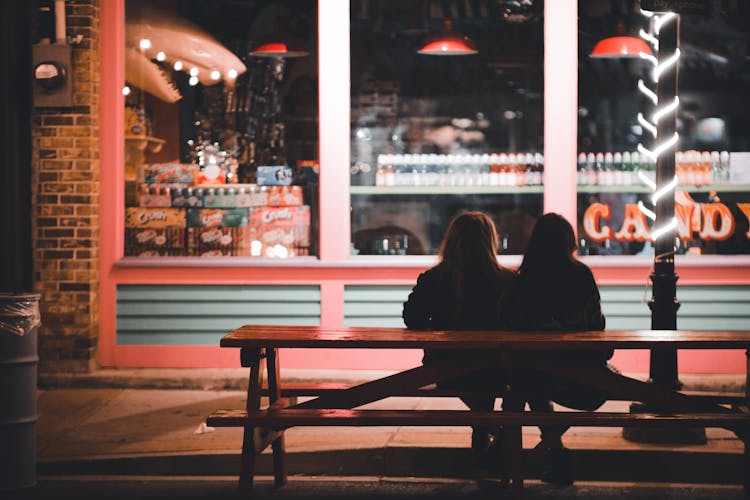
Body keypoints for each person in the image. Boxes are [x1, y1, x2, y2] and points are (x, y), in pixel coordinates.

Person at [498, 212, 613, 484]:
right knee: (525, 382)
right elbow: (597, 325)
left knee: (520, 383)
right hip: (584, 378)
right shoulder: (581, 276)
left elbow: (510, 324)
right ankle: (548, 458)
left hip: (537, 373)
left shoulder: (524, 281)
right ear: (569, 242)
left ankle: (511, 456)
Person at [402, 211, 515, 456]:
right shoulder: (507, 279)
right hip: (499, 368)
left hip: (446, 367)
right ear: (490, 240)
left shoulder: (434, 278)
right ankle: (489, 431)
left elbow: (412, 318)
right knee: (490, 374)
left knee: (471, 371)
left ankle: (484, 429)